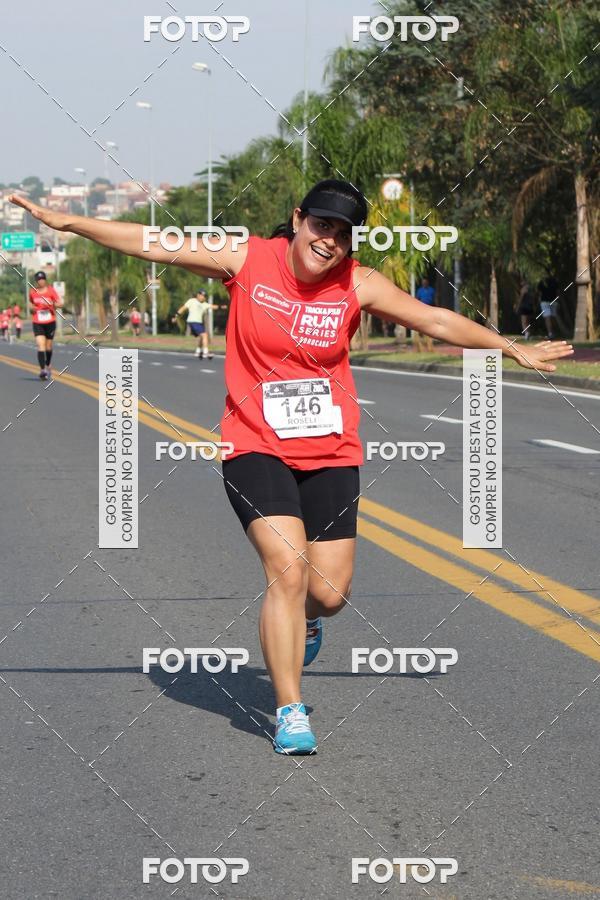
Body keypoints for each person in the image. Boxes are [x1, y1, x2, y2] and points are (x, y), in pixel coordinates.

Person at [8, 181, 573, 755]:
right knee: (287, 566)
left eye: (342, 233)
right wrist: (67, 222)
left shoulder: (356, 281)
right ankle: (288, 709)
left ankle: (305, 620)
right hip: (254, 443)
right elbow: (153, 242)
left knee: (328, 592)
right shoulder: (247, 257)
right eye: (321, 225)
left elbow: (436, 321)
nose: (329, 241)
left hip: (330, 450)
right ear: (298, 219)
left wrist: (510, 348)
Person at [29, 271, 63, 379]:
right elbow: (30, 305)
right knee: (40, 345)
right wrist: (32, 309)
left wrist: (52, 304)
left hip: (50, 322)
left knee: (48, 346)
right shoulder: (32, 292)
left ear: (45, 280)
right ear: (36, 281)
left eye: (42, 279)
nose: (41, 281)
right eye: (39, 280)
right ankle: (42, 370)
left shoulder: (51, 291)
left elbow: (60, 304)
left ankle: (48, 363)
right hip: (37, 322)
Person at [172, 289, 219, 359]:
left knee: (202, 336)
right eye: (201, 295)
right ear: (198, 295)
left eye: (204, 296)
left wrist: (225, 306)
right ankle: (206, 352)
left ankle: (198, 351)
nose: (202, 297)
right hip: (192, 322)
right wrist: (175, 316)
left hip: (199, 323)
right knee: (204, 335)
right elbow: (183, 308)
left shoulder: (204, 304)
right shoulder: (192, 301)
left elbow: (214, 306)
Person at [414, 277, 436, 352]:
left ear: (427, 283)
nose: (424, 283)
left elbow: (435, 299)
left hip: (430, 307)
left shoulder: (431, 290)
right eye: (423, 282)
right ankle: (420, 347)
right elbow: (417, 299)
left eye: (425, 282)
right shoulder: (420, 290)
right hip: (422, 308)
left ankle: (430, 345)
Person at [537, 272, 559, 339]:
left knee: (547, 317)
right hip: (554, 301)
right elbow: (557, 292)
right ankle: (554, 332)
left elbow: (539, 293)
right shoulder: (555, 281)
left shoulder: (542, 282)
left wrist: (538, 301)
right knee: (553, 317)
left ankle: (550, 333)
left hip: (544, 302)